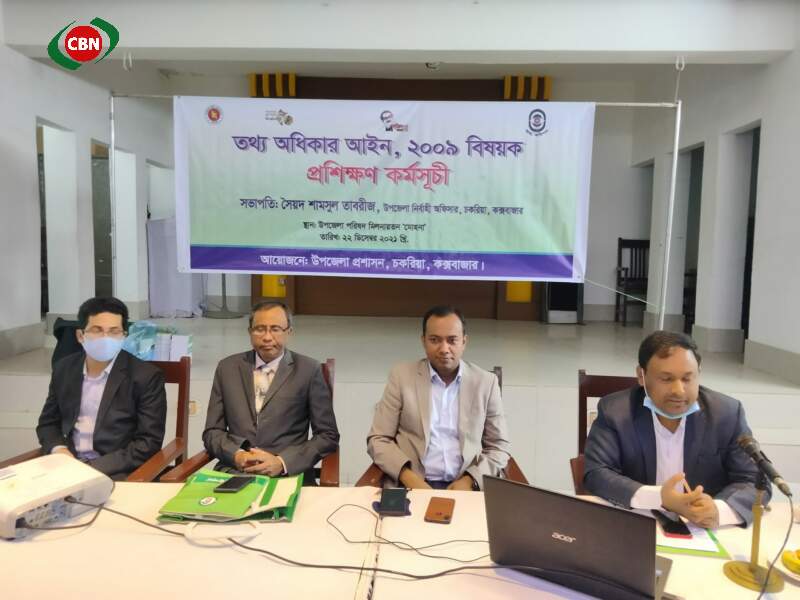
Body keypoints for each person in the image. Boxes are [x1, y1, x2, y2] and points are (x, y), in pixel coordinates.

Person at [583, 330, 767, 527]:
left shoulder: (726, 414)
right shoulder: (616, 412)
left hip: (700, 529)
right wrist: (659, 497)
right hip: (639, 523)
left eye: (687, 378)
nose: (679, 391)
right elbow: (597, 473)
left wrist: (718, 510)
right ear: (641, 376)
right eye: (666, 379)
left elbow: (754, 480)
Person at [367, 305, 510, 490]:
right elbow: (378, 439)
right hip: (410, 486)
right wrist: (409, 478)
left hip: (467, 487)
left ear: (464, 341)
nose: (444, 349)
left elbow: (498, 446)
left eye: (452, 340)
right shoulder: (401, 377)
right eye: (434, 340)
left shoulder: (485, 382)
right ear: (423, 341)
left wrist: (470, 480)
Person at [203, 301, 339, 483]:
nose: (267, 337)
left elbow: (327, 435)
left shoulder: (308, 370)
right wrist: (236, 454)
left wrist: (282, 462)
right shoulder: (227, 368)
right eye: (260, 329)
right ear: (249, 332)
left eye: (275, 329)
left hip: (287, 475)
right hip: (235, 472)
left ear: (289, 332)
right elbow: (212, 432)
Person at [36, 297, 167, 480]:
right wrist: (59, 450)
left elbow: (148, 443)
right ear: (80, 335)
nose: (106, 338)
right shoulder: (64, 369)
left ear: (124, 336)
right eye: (97, 330)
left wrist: (90, 469)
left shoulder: (145, 376)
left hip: (115, 471)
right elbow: (48, 423)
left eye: (114, 331)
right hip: (67, 466)